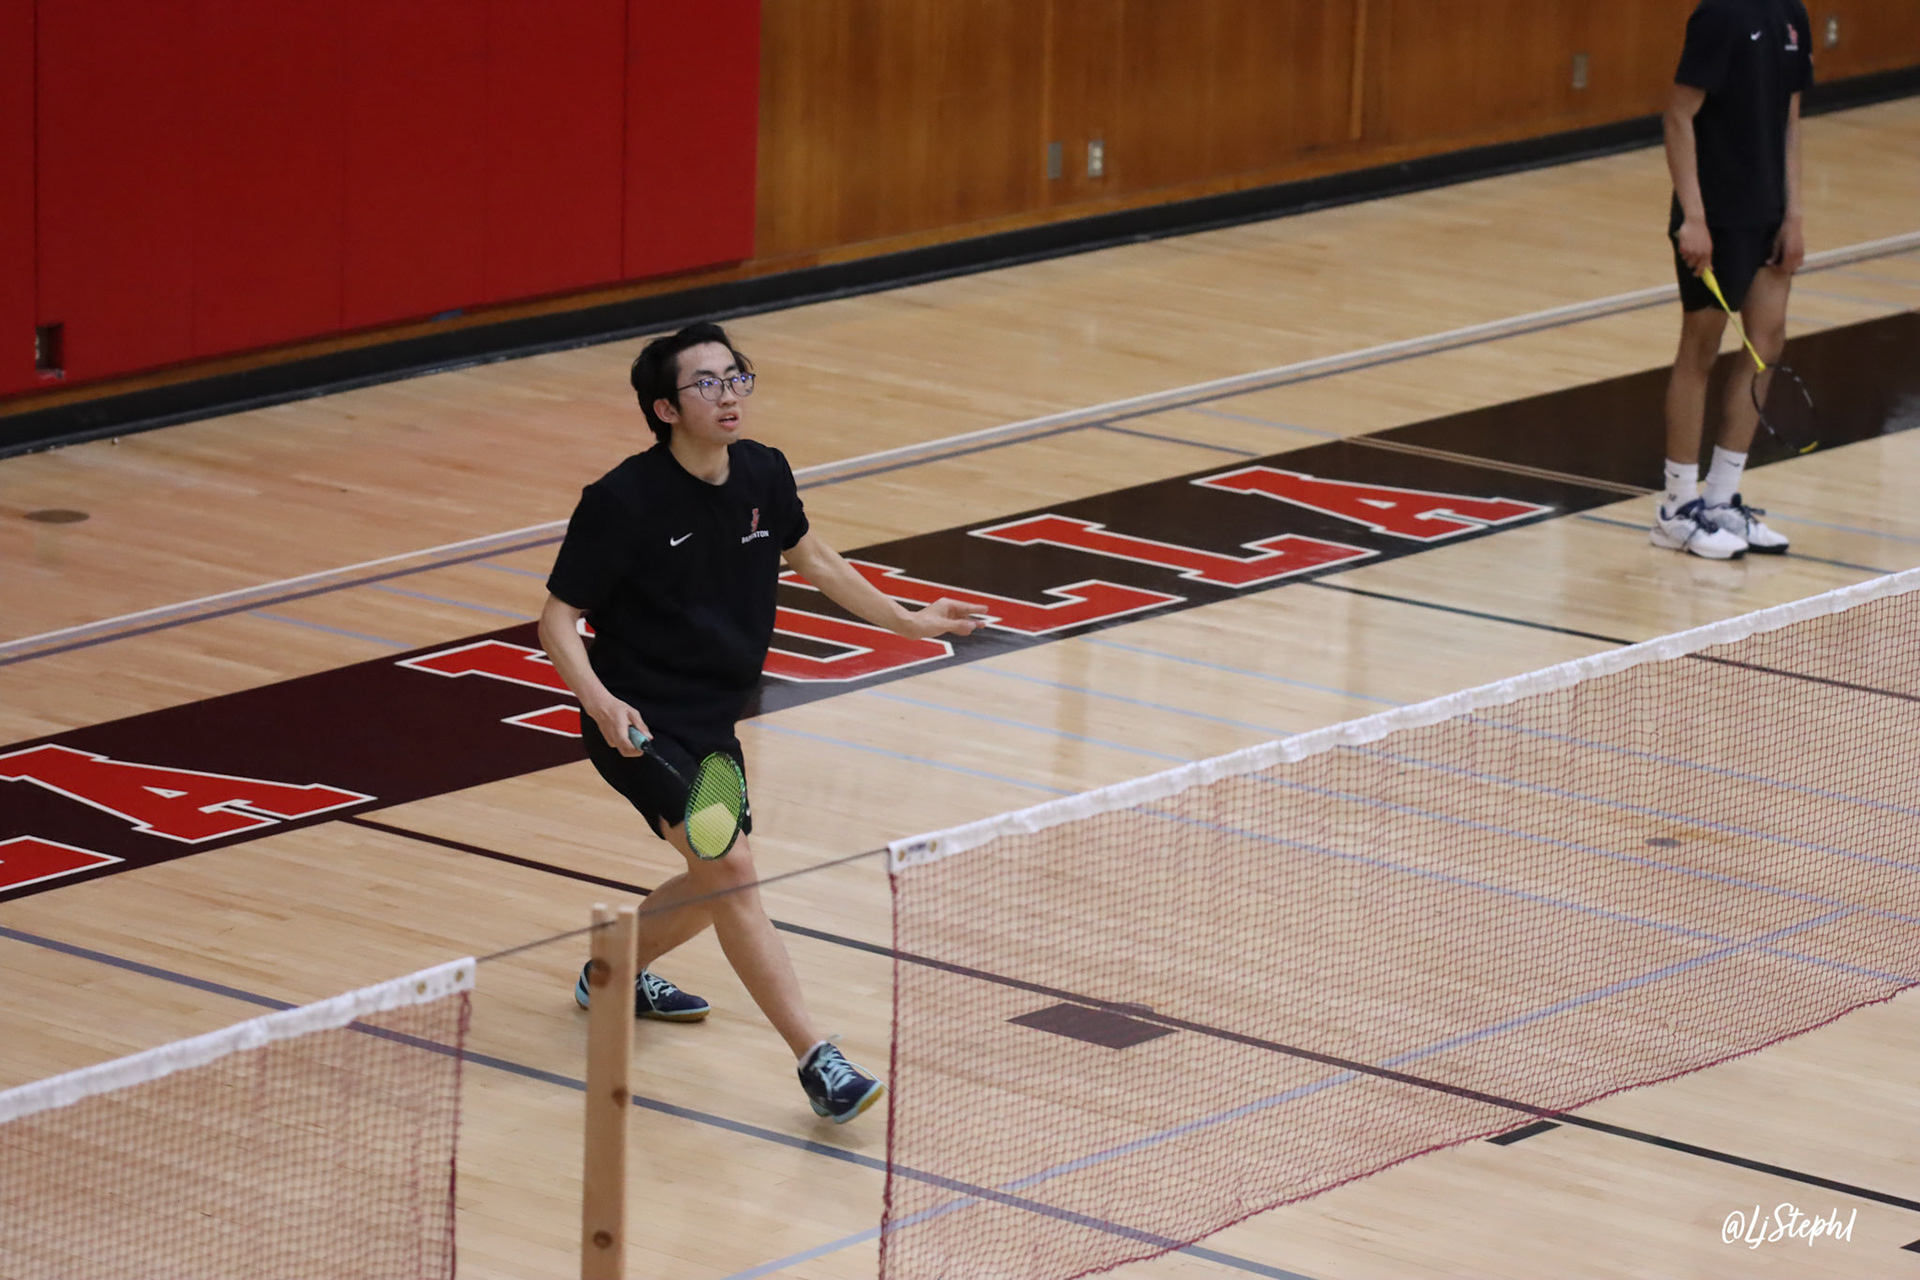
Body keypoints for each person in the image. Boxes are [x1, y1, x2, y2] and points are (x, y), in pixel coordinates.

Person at [538, 322, 981, 1123]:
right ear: (666, 409)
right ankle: (818, 1062)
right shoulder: (622, 502)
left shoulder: (762, 473)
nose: (729, 394)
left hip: (715, 721)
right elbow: (558, 618)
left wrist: (911, 621)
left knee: (716, 882)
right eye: (706, 383)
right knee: (733, 869)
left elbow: (816, 561)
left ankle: (611, 974)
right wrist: (600, 702)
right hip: (638, 723)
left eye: (735, 376)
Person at [1653, 0, 1811, 558]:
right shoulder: (1718, 15)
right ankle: (1677, 508)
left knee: (1766, 342)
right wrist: (1693, 217)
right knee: (1700, 350)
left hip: (1768, 210)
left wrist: (1793, 214)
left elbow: (1790, 120)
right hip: (1716, 215)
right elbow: (1678, 116)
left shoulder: (1791, 14)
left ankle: (1721, 498)